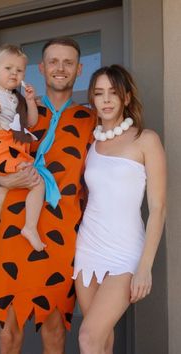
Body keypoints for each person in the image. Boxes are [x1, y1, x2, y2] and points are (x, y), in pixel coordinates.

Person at [0, 37, 96, 354]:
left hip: (61, 236)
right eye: (53, 61)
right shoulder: (17, 109)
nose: (60, 68)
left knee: (55, 333)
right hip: (15, 229)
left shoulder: (91, 120)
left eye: (68, 62)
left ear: (79, 69)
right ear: (42, 69)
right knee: (8, 332)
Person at [72, 65, 166, 354]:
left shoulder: (146, 139)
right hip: (87, 248)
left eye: (113, 92)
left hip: (125, 254)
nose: (106, 99)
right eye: (99, 93)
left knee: (87, 337)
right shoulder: (90, 142)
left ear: (126, 97)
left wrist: (145, 268)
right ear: (92, 100)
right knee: (101, 338)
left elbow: (158, 207)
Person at [0, 44, 46, 252]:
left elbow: (30, 122)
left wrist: (30, 101)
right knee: (37, 184)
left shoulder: (17, 98)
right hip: (3, 146)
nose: (14, 73)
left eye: (19, 70)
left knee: (2, 194)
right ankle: (30, 227)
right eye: (8, 68)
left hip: (13, 146)